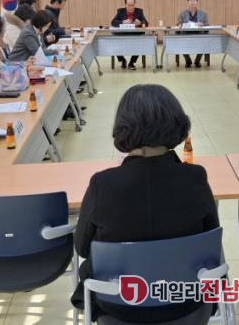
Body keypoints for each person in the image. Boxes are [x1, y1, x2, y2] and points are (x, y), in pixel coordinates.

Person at [71, 84, 219, 322]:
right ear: (176, 123)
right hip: (186, 303)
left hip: (119, 306)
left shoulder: (103, 184)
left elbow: (83, 247)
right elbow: (210, 241)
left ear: (123, 128)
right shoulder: (195, 177)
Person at [111, 0, 149, 70]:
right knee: (115, 43)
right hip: (122, 34)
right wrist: (123, 22)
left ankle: (131, 63)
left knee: (140, 43)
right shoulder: (120, 11)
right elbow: (113, 22)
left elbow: (146, 23)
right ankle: (123, 60)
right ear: (125, 4)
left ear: (135, 4)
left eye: (133, 5)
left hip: (135, 34)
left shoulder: (139, 11)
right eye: (129, 5)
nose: (131, 7)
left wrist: (140, 23)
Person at [177, 0, 209, 68]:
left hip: (199, 35)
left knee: (204, 43)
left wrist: (203, 24)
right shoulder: (182, 13)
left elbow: (207, 25)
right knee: (180, 43)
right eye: (190, 0)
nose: (192, 2)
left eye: (194, 0)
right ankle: (188, 60)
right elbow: (178, 23)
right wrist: (180, 25)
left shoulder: (203, 13)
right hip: (185, 35)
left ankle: (197, 61)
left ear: (197, 2)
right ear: (188, 2)